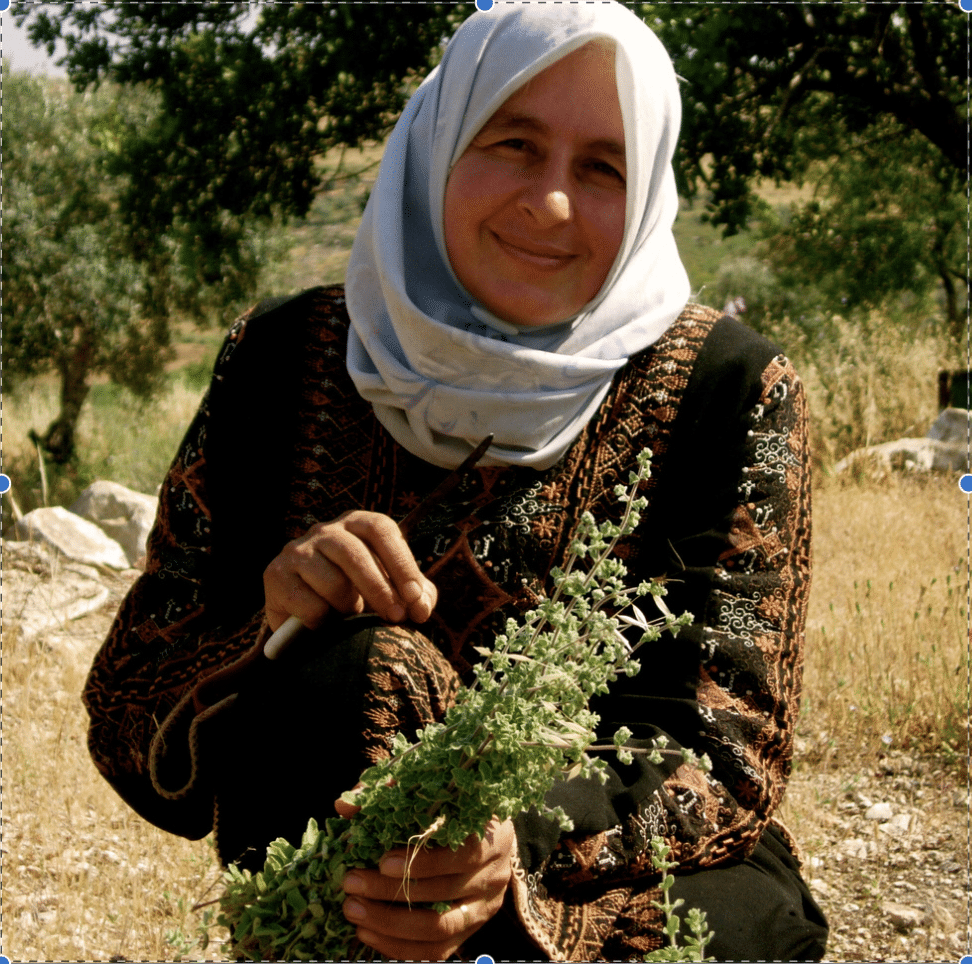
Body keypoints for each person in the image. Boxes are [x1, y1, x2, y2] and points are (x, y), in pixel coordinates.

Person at [82, 4, 829, 961]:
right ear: (437, 143)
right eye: (514, 143)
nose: (550, 202)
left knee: (734, 932)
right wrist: (271, 629)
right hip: (339, 893)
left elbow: (730, 756)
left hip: (599, 879)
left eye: (605, 168)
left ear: (648, 190)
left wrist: (513, 842)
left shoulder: (730, 390)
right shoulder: (279, 357)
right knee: (361, 669)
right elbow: (127, 713)